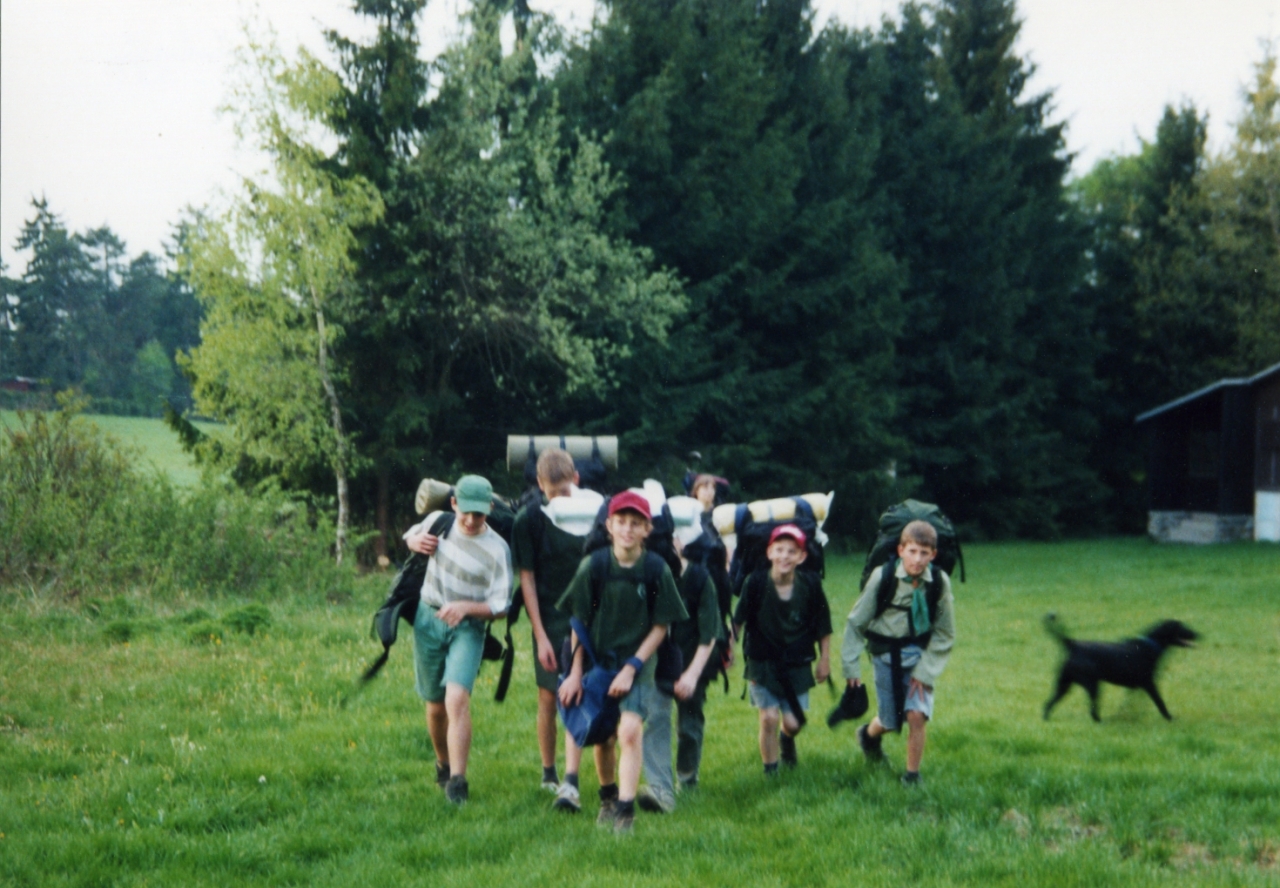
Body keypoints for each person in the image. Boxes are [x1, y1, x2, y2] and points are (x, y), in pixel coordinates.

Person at [556, 491, 688, 833]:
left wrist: (632, 667)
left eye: (636, 523)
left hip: (639, 662)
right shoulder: (594, 566)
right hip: (598, 659)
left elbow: (661, 625)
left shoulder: (655, 569)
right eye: (621, 522)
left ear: (647, 529)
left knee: (629, 730)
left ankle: (626, 813)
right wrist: (574, 672)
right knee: (603, 736)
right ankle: (608, 797)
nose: (628, 529)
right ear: (609, 526)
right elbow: (579, 621)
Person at [402, 474, 513, 805]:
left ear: (489, 509)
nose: (471, 520)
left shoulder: (498, 550)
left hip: (469, 628)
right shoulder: (439, 522)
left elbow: (501, 606)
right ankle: (443, 764)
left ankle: (458, 782)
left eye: (479, 514)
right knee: (436, 706)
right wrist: (413, 542)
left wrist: (466, 608)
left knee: (457, 698)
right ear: (453, 504)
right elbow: (410, 534)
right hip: (428, 619)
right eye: (465, 512)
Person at [841, 519, 956, 786]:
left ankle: (912, 777)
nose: (917, 559)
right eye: (912, 551)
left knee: (916, 715)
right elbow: (856, 623)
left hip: (920, 657)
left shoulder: (939, 582)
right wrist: (851, 667)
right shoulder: (883, 577)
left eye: (924, 553)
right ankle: (868, 736)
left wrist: (925, 673)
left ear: (933, 554)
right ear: (901, 549)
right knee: (890, 721)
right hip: (885, 656)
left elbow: (945, 632)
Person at [510, 448, 592, 807]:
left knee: (585, 690)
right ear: (539, 485)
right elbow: (526, 578)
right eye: (552, 491)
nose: (560, 498)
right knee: (548, 695)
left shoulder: (591, 512)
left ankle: (581, 773)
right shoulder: (529, 520)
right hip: (549, 615)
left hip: (587, 613)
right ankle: (549, 772)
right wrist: (540, 635)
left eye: (565, 490)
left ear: (576, 479)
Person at [637, 522, 726, 812]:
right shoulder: (646, 575)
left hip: (694, 660)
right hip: (657, 663)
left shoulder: (700, 578)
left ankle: (687, 779)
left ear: (680, 541)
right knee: (656, 719)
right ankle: (660, 787)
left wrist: (691, 675)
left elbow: (709, 633)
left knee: (689, 724)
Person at [733, 524, 832, 775]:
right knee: (768, 718)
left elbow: (824, 625)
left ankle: (786, 739)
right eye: (779, 550)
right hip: (762, 660)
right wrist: (729, 648)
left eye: (791, 551)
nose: (784, 556)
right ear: (769, 553)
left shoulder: (810, 585)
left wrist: (825, 660)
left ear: (802, 556)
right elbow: (738, 620)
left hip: (797, 661)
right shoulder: (755, 583)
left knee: (794, 723)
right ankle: (771, 771)